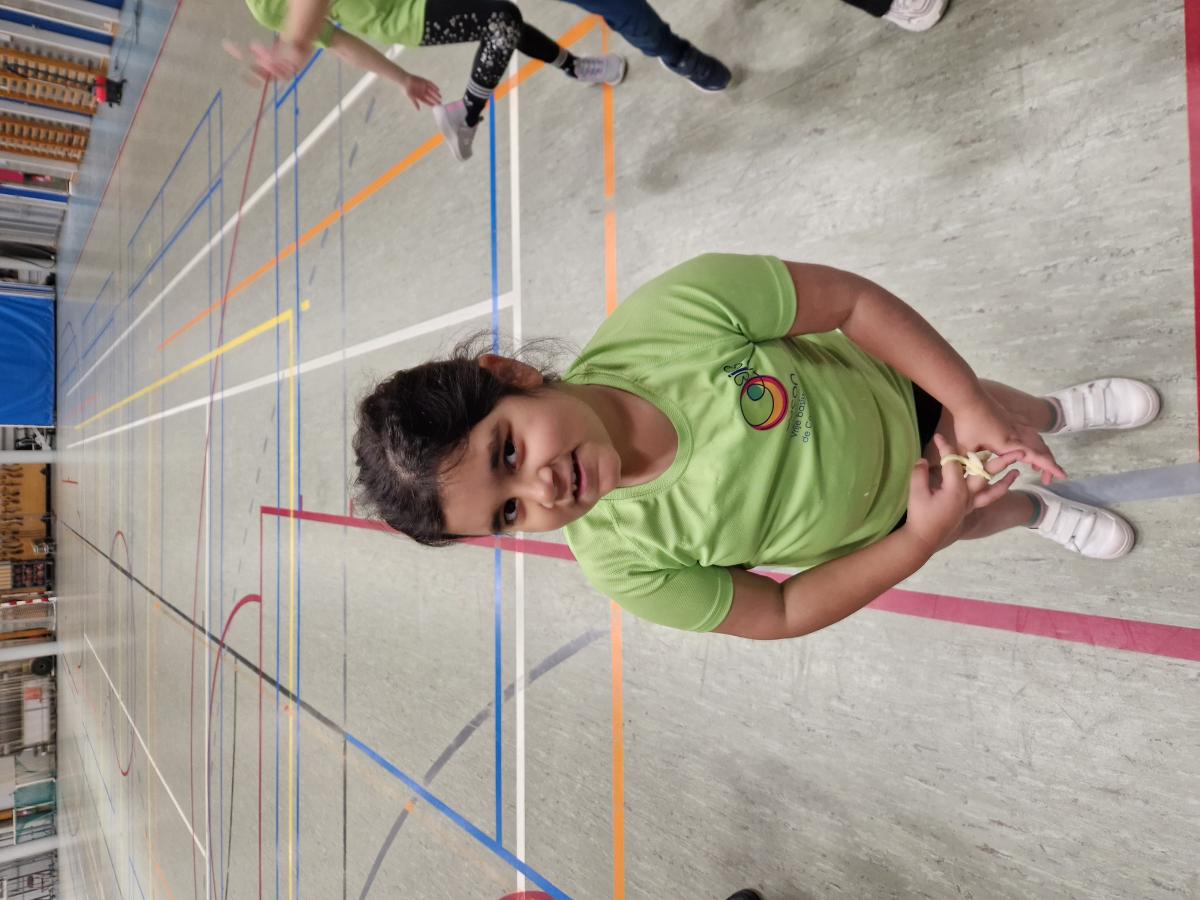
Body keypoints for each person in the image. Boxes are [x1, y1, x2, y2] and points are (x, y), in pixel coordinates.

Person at [352, 253, 1159, 638]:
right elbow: (778, 610)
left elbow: (849, 302)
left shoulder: (670, 318)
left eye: (506, 454)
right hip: (892, 521)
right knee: (976, 515)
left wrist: (969, 404)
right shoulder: (624, 564)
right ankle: (1035, 514)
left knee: (997, 413)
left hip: (907, 397)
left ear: (511, 375)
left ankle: (1057, 411)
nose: (541, 491)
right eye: (508, 514)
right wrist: (919, 540)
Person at [236, 0, 626, 161]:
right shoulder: (267, 8)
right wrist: (400, 77)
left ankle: (574, 67)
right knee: (502, 20)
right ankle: (466, 115)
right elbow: (339, 43)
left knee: (502, 23)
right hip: (404, 15)